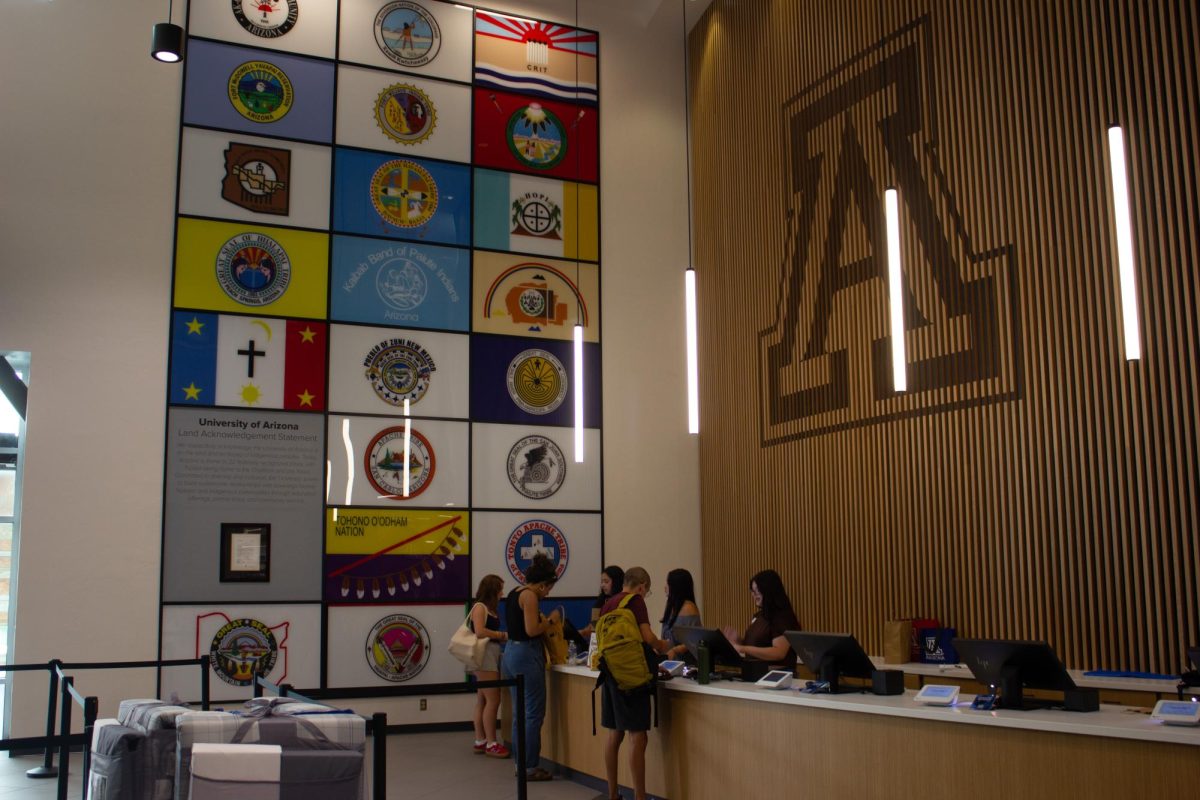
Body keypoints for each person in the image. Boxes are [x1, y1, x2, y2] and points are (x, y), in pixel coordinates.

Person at [596, 567, 669, 800]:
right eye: (646, 592)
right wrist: (663, 645)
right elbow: (647, 637)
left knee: (614, 734)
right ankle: (639, 796)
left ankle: (612, 793)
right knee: (638, 735)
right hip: (632, 678)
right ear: (642, 586)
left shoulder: (609, 603)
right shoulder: (635, 601)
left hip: (609, 674)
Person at [500, 553, 558, 782]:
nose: (548, 593)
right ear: (542, 584)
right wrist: (551, 620)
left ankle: (520, 763)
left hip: (511, 654)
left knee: (519, 714)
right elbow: (533, 629)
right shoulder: (531, 597)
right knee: (533, 713)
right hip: (526, 653)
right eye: (548, 588)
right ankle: (530, 767)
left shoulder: (515, 593)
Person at [721, 569, 800, 668]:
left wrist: (742, 648)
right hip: (756, 673)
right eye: (752, 591)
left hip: (776, 677)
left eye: (757, 591)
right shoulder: (759, 616)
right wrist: (738, 640)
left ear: (769, 590)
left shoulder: (783, 618)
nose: (754, 595)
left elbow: (779, 652)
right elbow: (756, 646)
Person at [468, 574, 509, 758]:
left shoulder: (489, 609)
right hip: (485, 656)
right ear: (492, 590)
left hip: (489, 654)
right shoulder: (480, 607)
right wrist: (501, 635)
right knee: (494, 699)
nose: (502, 593)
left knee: (483, 699)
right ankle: (492, 742)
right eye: (500, 588)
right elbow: (479, 631)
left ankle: (480, 739)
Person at [659, 568, 702, 660]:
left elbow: (694, 640)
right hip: (670, 660)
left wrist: (675, 650)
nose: (665, 587)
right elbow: (666, 638)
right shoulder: (671, 606)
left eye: (668, 583)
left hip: (686, 662)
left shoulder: (689, 608)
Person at [580, 565, 624, 640]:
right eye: (602, 582)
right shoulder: (601, 599)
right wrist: (584, 631)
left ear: (617, 582)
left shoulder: (624, 600)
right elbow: (594, 623)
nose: (602, 585)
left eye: (606, 582)